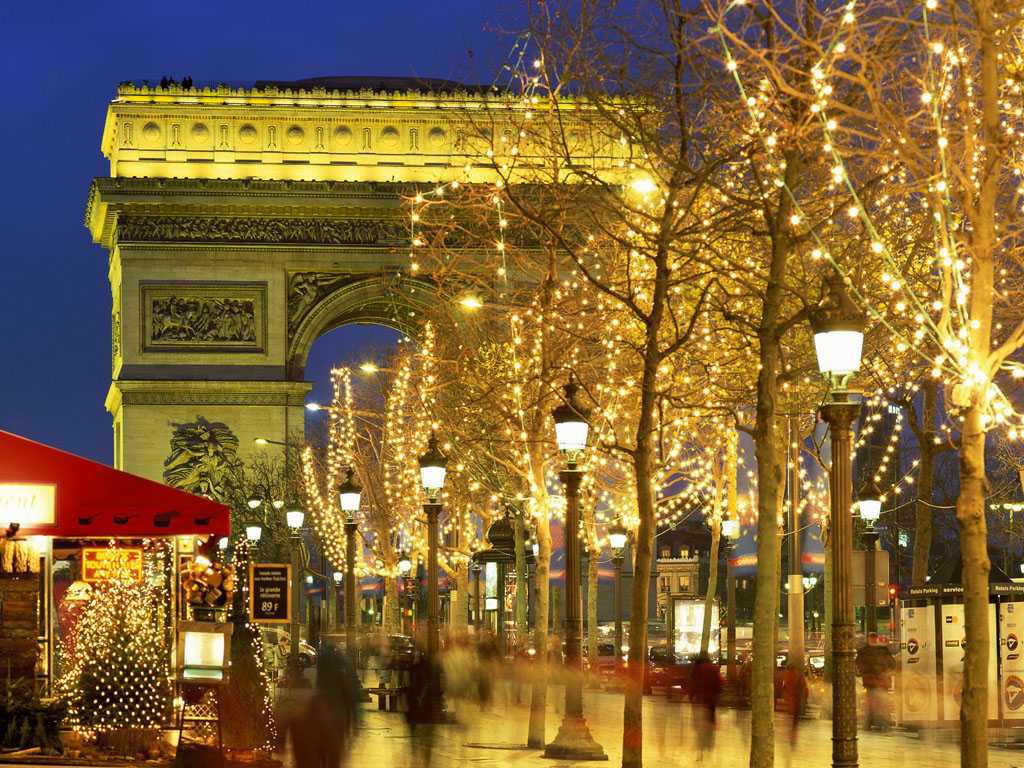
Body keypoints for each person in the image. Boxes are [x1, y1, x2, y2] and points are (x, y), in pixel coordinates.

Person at [406, 648, 444, 767]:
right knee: (423, 737)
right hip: (419, 708)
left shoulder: (418, 669)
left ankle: (421, 758)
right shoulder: (415, 668)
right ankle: (421, 758)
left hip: (422, 708)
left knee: (424, 737)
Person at [855, 632, 896, 730]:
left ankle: (871, 725)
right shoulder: (882, 651)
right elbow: (892, 664)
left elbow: (858, 666)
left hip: (874, 683)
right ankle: (883, 725)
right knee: (879, 705)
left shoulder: (865, 652)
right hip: (877, 683)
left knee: (873, 705)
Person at [690, 653, 722, 762]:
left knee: (699, 726)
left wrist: (691, 696)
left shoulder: (697, 669)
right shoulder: (714, 669)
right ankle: (708, 746)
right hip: (711, 701)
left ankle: (700, 751)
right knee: (709, 725)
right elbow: (720, 684)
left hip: (699, 701)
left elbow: (693, 684)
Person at [780, 659, 809, 758]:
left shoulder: (787, 675)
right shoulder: (799, 675)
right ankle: (793, 733)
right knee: (795, 717)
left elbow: (784, 686)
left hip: (790, 699)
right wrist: (805, 696)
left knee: (791, 716)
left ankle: (791, 733)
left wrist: (785, 696)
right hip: (797, 698)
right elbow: (805, 687)